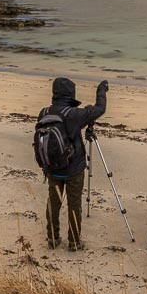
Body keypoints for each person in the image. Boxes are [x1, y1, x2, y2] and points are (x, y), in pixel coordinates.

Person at [40, 77, 107, 251]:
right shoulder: (74, 115)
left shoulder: (44, 112)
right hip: (73, 169)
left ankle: (53, 239)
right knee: (74, 204)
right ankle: (74, 242)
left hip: (52, 167)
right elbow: (100, 109)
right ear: (71, 94)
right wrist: (101, 90)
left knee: (53, 203)